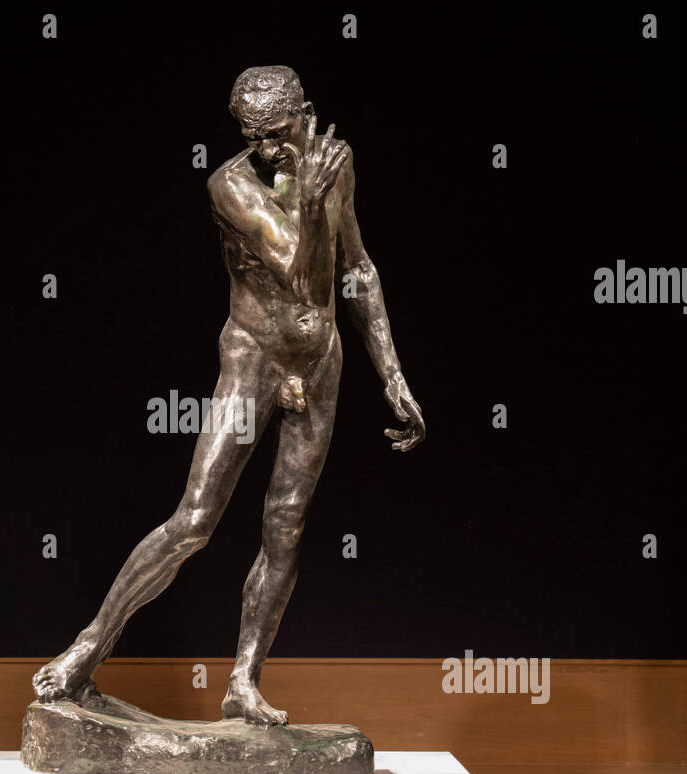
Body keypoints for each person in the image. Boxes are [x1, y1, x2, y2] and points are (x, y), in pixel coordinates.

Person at [32, 66, 426, 723]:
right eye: (255, 136)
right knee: (195, 520)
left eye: (278, 133)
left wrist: (391, 373)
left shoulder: (334, 164)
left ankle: (244, 681)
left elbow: (354, 267)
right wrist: (307, 192)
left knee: (286, 527)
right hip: (252, 363)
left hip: (320, 364)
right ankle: (86, 647)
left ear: (306, 111)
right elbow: (297, 266)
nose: (268, 147)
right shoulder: (229, 185)